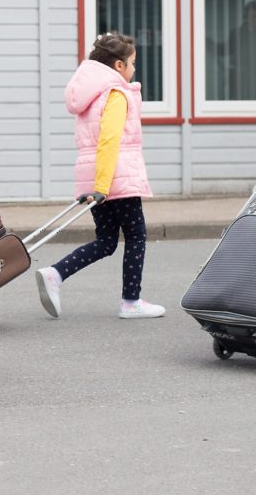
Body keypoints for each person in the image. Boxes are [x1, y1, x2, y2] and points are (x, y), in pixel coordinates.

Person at [35, 33, 165, 320]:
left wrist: (97, 185)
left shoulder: (91, 94)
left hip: (98, 177)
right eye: (132, 63)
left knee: (106, 241)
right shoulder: (116, 94)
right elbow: (109, 140)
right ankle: (131, 301)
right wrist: (103, 186)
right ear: (119, 65)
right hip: (115, 179)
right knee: (136, 236)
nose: (134, 69)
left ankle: (55, 274)